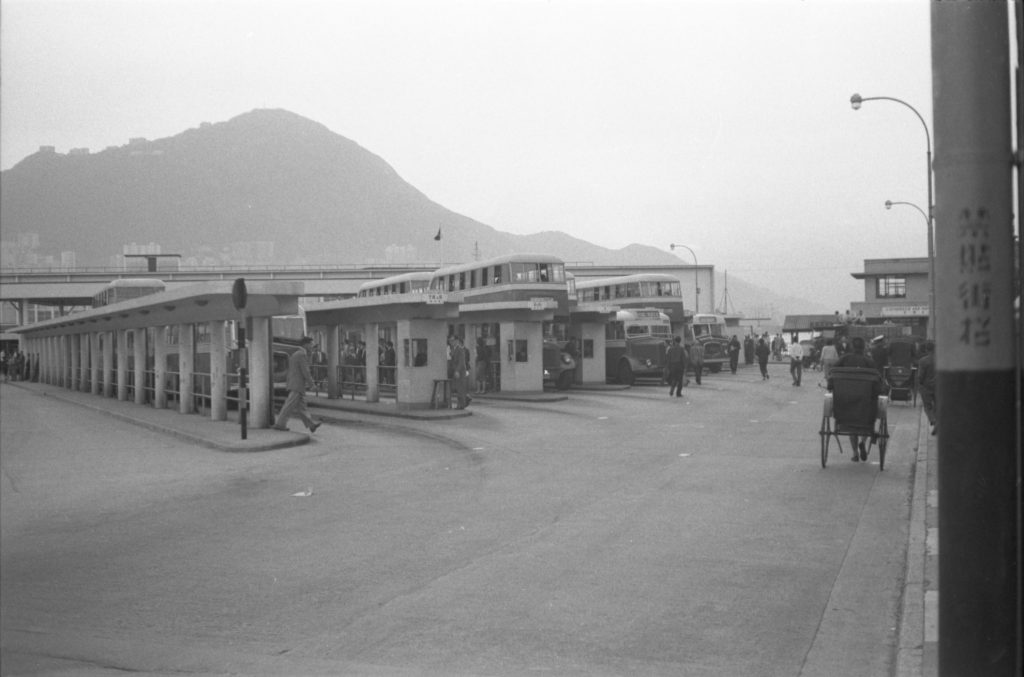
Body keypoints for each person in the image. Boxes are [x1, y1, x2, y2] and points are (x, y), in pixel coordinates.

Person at [830, 336, 877, 462]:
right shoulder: (869, 362)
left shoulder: (844, 359)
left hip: (845, 403)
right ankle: (863, 441)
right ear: (863, 347)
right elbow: (877, 382)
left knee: (851, 427)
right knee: (868, 422)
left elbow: (833, 371)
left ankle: (855, 453)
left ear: (852, 347)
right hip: (864, 404)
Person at [273, 336, 322, 433]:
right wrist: (312, 385)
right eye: (311, 344)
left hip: (296, 384)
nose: (312, 346)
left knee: (302, 407)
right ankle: (280, 424)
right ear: (306, 344)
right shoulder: (301, 354)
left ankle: (311, 425)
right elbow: (306, 371)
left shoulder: (297, 353)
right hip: (297, 385)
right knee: (289, 405)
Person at [916, 341, 937, 435]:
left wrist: (919, 384)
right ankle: (937, 423)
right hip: (938, 386)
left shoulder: (923, 361)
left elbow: (920, 376)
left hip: (926, 387)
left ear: (926, 349)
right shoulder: (942, 359)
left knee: (928, 407)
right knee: (938, 406)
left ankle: (933, 419)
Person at [449, 335, 470, 408]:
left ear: (456, 341)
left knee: (461, 388)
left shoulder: (460, 349)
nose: (451, 342)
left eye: (452, 340)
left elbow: (461, 361)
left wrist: (457, 371)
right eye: (450, 340)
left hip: (460, 371)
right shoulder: (452, 349)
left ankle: (461, 405)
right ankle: (462, 402)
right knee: (457, 388)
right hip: (455, 370)